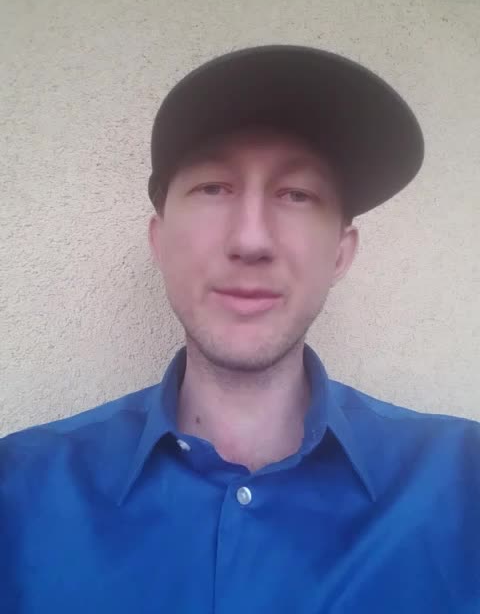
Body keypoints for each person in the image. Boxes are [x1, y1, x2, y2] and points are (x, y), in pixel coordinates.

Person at [1, 45, 478, 613]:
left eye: (297, 194)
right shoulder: (18, 492)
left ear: (340, 254)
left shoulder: (464, 485)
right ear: (159, 241)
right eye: (213, 188)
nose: (251, 240)